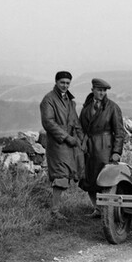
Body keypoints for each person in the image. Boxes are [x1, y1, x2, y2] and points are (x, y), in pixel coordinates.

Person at [40, 71, 84, 221]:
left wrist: (81, 139)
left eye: (67, 83)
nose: (65, 86)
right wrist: (66, 137)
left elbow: (76, 122)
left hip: (71, 142)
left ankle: (97, 208)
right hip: (58, 143)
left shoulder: (70, 101)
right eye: (62, 82)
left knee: (76, 172)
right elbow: (48, 122)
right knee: (60, 175)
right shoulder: (49, 100)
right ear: (56, 82)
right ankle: (55, 210)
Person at [79, 78, 125, 217]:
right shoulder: (86, 107)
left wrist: (116, 151)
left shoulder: (112, 107)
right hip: (89, 147)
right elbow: (81, 127)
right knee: (89, 179)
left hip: (105, 147)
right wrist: (82, 143)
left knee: (105, 179)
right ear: (92, 90)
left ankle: (107, 210)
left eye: (104, 91)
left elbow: (119, 132)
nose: (102, 93)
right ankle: (97, 209)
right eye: (99, 90)